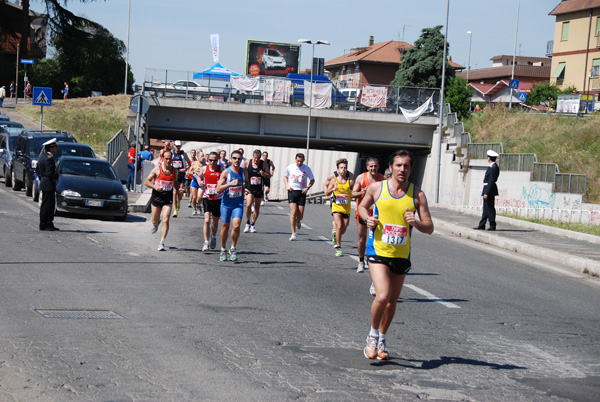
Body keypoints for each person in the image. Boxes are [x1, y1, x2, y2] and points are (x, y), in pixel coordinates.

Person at [358, 149, 434, 360]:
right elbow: (363, 208)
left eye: (407, 165)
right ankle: (372, 336)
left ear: (411, 169)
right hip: (378, 250)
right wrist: (367, 219)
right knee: (382, 295)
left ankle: (382, 339)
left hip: (401, 254)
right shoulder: (376, 188)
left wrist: (416, 222)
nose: (403, 169)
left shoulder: (417, 195)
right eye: (398, 165)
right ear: (390, 168)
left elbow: (429, 227)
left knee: (392, 302)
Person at [145, 150, 183, 251]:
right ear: (162, 159)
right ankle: (156, 223)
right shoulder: (157, 169)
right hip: (157, 197)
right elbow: (146, 181)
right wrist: (155, 187)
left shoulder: (174, 171)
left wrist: (179, 189)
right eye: (166, 159)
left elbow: (175, 182)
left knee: (166, 219)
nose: (168, 161)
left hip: (167, 198)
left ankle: (161, 242)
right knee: (155, 220)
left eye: (170, 159)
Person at [352, 157, 383, 272]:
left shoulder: (382, 179)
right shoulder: (361, 178)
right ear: (367, 167)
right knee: (362, 238)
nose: (373, 168)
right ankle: (361, 261)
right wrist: (361, 192)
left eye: (375, 166)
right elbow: (352, 193)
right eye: (371, 166)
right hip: (362, 212)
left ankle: (373, 261)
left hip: (376, 213)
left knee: (376, 239)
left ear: (378, 167)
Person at [216, 150, 247, 261]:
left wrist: (245, 189)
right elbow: (218, 189)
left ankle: (233, 248)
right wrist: (229, 184)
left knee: (237, 226)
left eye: (239, 158)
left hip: (238, 204)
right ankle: (223, 249)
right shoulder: (226, 172)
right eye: (234, 158)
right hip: (226, 204)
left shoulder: (244, 172)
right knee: (225, 227)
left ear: (241, 159)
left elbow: (245, 183)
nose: (236, 160)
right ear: (231, 159)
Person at [324, 158, 354, 257]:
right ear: (338, 169)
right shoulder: (334, 180)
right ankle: (338, 247)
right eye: (341, 168)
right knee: (339, 226)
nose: (343, 170)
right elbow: (327, 193)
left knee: (343, 229)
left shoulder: (350, 179)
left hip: (346, 207)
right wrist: (333, 189)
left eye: (345, 168)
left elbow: (354, 191)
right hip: (336, 206)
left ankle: (335, 233)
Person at [283, 153, 315, 241]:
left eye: (301, 161)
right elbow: (285, 177)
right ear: (295, 159)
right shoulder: (290, 167)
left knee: (300, 216)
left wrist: (307, 188)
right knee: (293, 213)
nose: (299, 163)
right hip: (292, 191)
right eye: (298, 161)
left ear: (303, 161)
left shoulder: (306, 168)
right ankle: (293, 233)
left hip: (302, 192)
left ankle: (298, 221)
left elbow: (312, 179)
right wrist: (287, 185)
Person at [197, 152, 223, 251]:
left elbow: (227, 178)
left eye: (215, 160)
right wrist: (200, 181)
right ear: (208, 160)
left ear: (218, 160)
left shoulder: (221, 169)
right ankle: (206, 242)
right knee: (207, 220)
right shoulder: (204, 168)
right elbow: (199, 176)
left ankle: (214, 237)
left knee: (215, 221)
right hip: (207, 196)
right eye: (210, 160)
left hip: (218, 198)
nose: (212, 162)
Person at [243, 149, 271, 233]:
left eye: (258, 158)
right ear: (253, 156)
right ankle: (247, 222)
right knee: (248, 205)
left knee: (257, 207)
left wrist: (264, 174)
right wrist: (244, 184)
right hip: (249, 187)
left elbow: (269, 175)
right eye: (255, 158)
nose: (256, 160)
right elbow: (241, 172)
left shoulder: (264, 164)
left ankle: (253, 224)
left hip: (258, 188)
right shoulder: (248, 162)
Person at [36, 138, 59, 231]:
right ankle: (46, 223)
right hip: (49, 185)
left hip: (45, 183)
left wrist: (42, 178)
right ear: (51, 148)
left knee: (46, 204)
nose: (56, 148)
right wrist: (57, 175)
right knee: (48, 205)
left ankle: (45, 223)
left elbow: (38, 170)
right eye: (55, 147)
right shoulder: (49, 159)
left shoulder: (42, 157)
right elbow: (50, 174)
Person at [474, 150, 500, 231]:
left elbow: (491, 181)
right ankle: (482, 224)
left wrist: (487, 193)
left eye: (488, 157)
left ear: (489, 158)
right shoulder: (493, 167)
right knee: (486, 208)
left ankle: (492, 224)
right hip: (488, 188)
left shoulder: (493, 168)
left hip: (489, 190)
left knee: (490, 208)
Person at [171, 140, 190, 217]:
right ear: (174, 146)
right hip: (174, 175)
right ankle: (175, 211)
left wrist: (185, 169)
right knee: (174, 192)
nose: (178, 148)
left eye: (179, 146)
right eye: (176, 146)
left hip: (181, 175)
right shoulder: (172, 154)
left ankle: (178, 201)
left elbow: (189, 164)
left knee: (180, 193)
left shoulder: (183, 154)